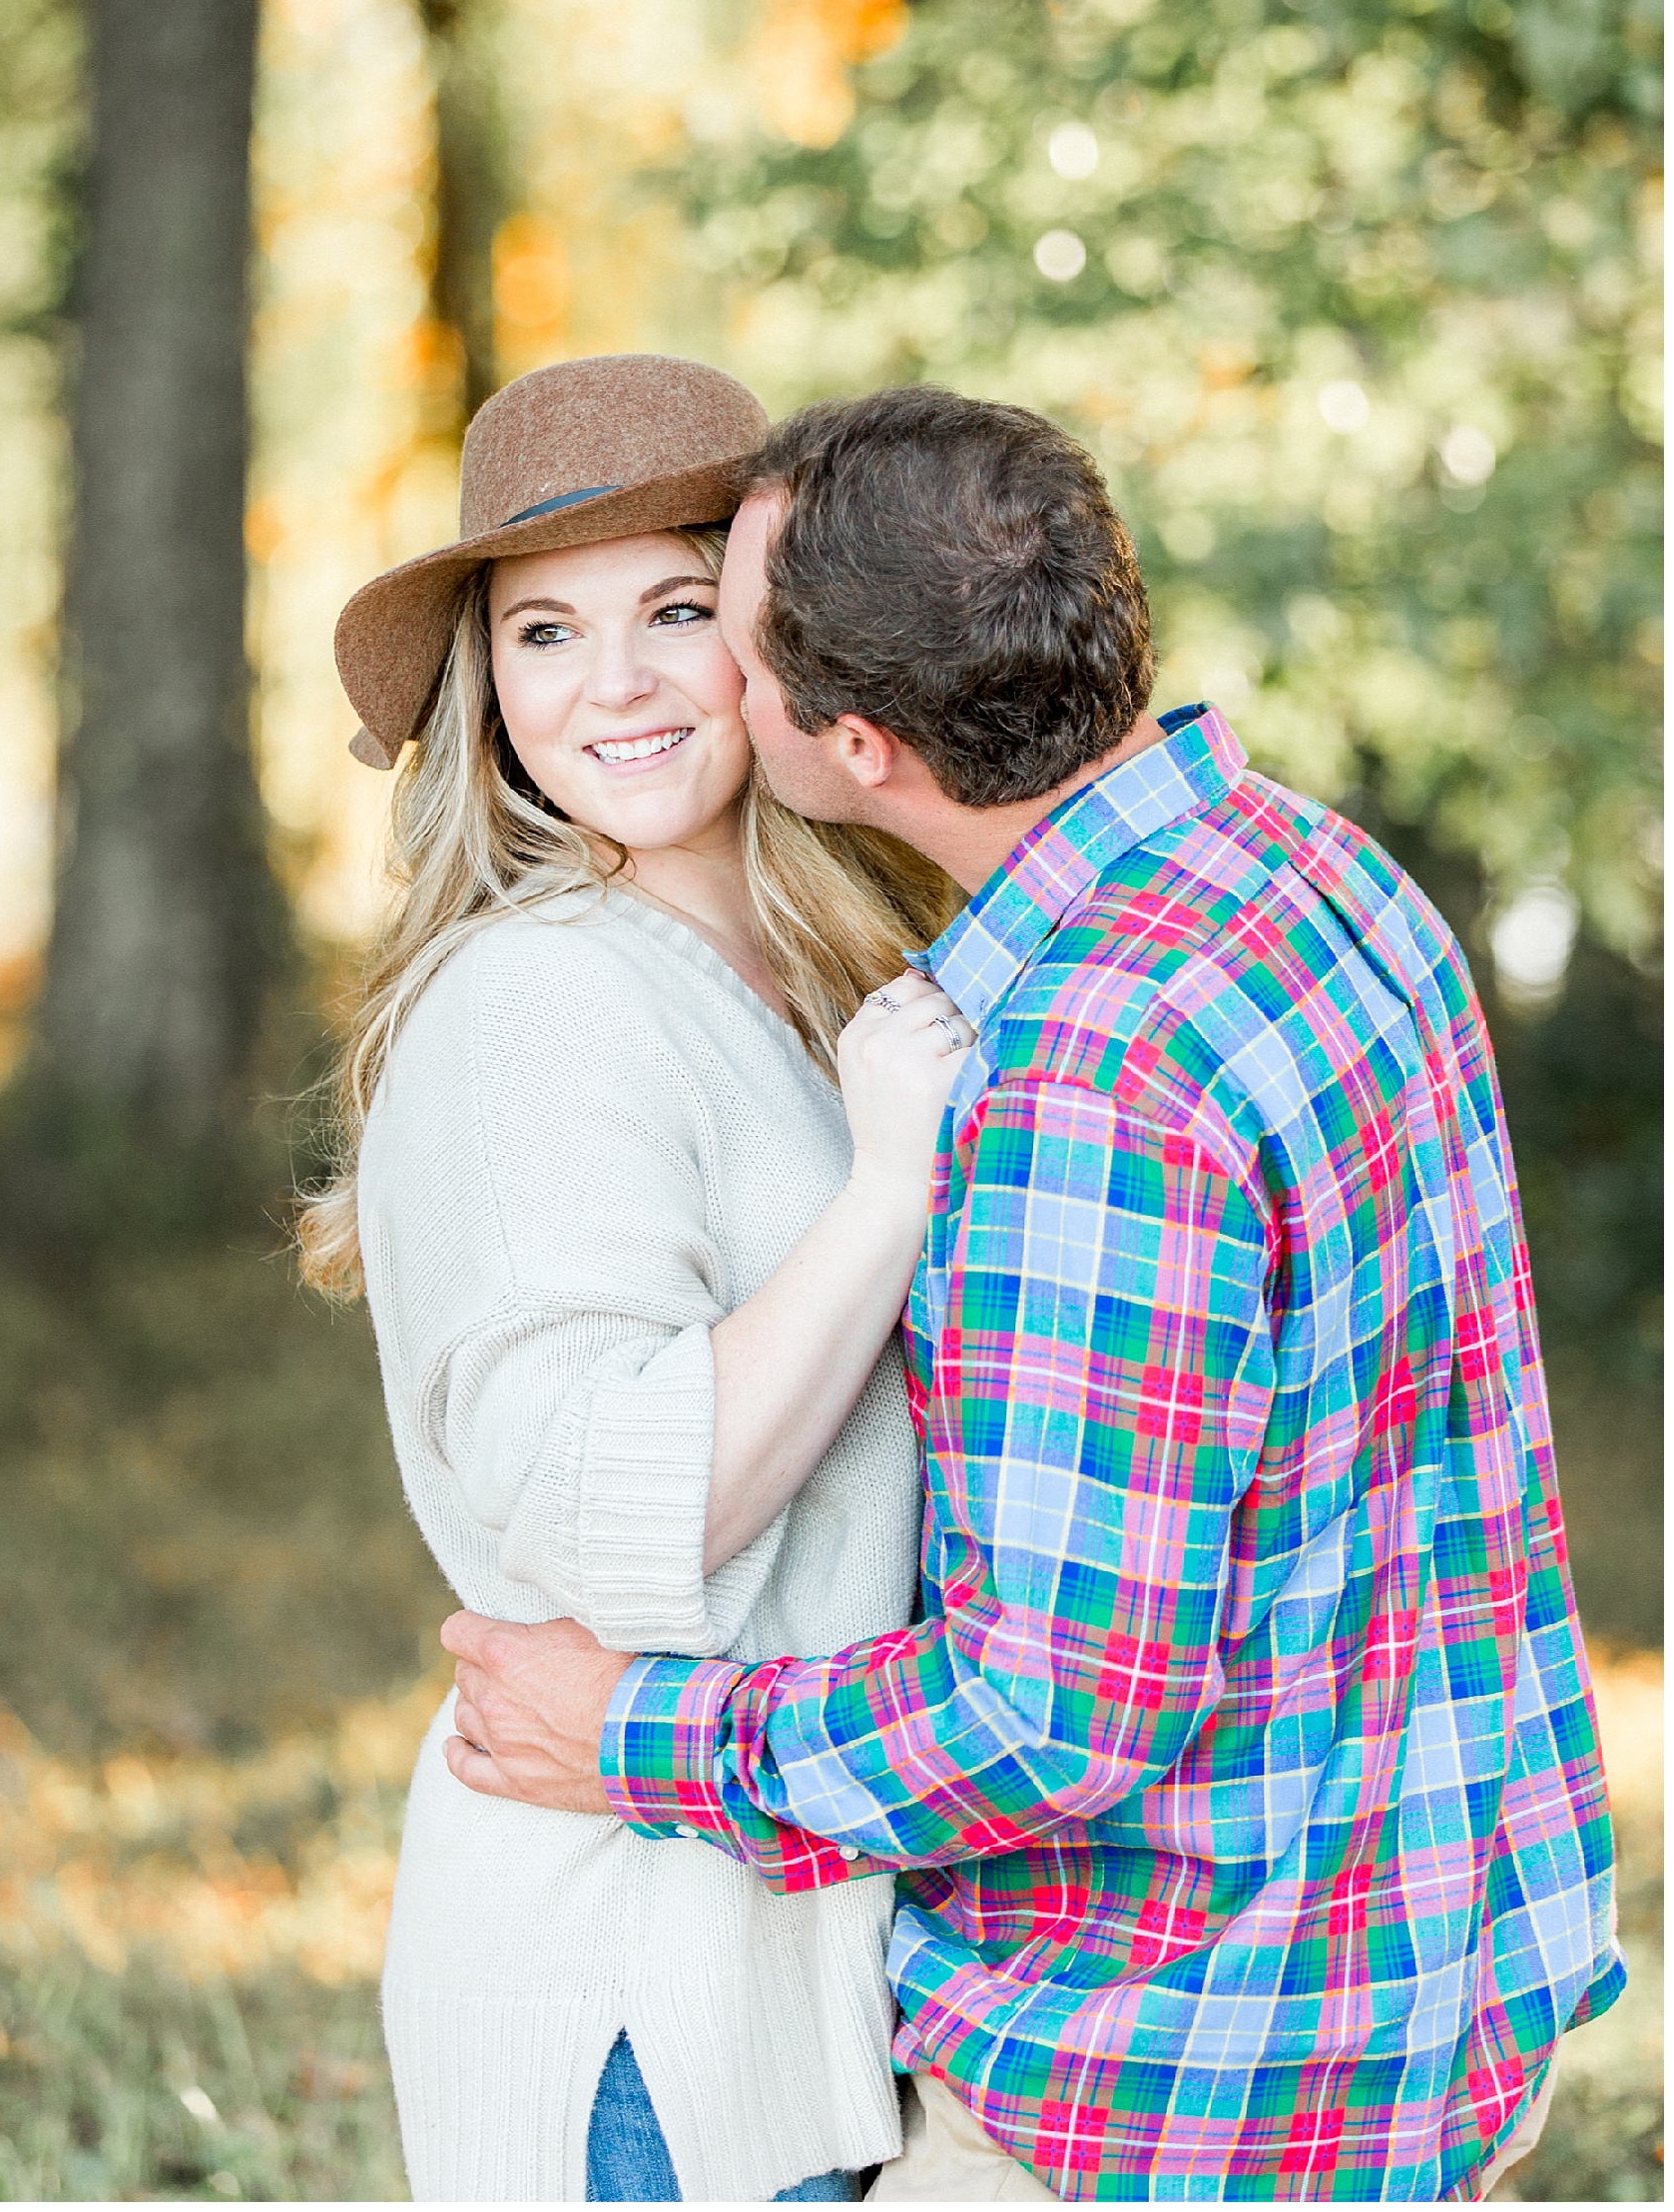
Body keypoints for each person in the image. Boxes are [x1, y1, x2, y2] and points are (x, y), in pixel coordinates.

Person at [441, 385, 1624, 2204]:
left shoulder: (1081, 1082)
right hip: (1442, 1994)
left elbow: (1048, 1710)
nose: (689, 697)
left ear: (854, 742)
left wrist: (624, 1730)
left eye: (717, 640)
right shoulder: (1323, 879)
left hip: (1190, 2086)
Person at [299, 354, 973, 2203]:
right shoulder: (541, 1002)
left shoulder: (811, 988)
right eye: (543, 633)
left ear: (771, 644)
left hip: (782, 1960)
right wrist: (895, 1187)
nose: (614, 683)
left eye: (677, 610)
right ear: (485, 691)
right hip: (630, 2002)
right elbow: (623, 1520)